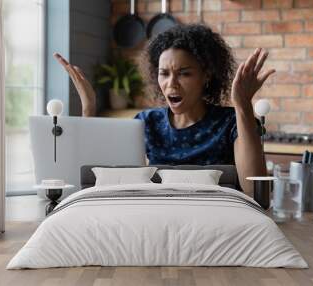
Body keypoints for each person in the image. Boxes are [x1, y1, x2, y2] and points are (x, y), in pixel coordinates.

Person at [53, 24, 275, 195]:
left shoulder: (232, 122)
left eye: (184, 73)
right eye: (164, 73)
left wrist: (243, 105)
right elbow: (103, 180)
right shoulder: (145, 122)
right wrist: (89, 108)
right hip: (156, 219)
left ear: (206, 76)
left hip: (219, 220)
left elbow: (255, 191)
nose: (172, 84)